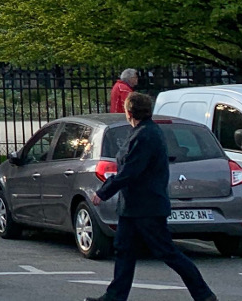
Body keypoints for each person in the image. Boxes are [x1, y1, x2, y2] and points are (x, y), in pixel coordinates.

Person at [85, 92, 217, 301]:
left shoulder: (146, 135)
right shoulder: (142, 132)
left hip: (147, 207)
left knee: (167, 252)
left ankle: (204, 295)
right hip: (133, 207)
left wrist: (103, 192)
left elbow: (131, 170)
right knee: (124, 251)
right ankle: (114, 297)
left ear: (129, 112)